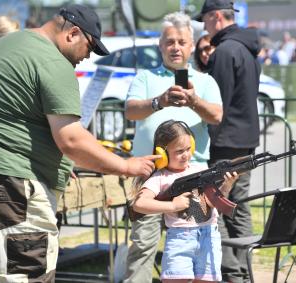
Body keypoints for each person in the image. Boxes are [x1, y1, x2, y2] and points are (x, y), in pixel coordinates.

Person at [0, 4, 158, 282]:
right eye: (89, 47)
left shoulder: (8, 44)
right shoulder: (53, 62)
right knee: (29, 275)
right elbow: (71, 139)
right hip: (15, 189)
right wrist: (126, 166)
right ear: (73, 33)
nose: (87, 57)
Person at [124, 11, 223, 283]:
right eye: (169, 41)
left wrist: (194, 101)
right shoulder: (145, 77)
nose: (175, 47)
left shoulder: (204, 81)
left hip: (194, 177)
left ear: (192, 45)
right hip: (149, 173)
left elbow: (216, 115)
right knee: (144, 244)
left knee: (197, 242)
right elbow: (130, 110)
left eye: (181, 41)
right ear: (160, 45)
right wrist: (159, 101)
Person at [194, 0, 261, 282]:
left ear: (217, 17)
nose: (205, 27)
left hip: (224, 142)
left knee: (217, 207)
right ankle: (244, 271)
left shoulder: (225, 51)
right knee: (240, 206)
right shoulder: (247, 48)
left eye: (206, 21)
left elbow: (216, 103)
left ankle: (232, 272)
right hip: (245, 140)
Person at [131, 120, 238, 282]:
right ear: (163, 154)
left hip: (209, 236)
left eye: (188, 149)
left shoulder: (200, 170)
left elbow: (210, 202)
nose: (186, 155)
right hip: (180, 239)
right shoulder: (161, 178)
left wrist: (226, 186)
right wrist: (172, 205)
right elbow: (138, 204)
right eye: (179, 151)